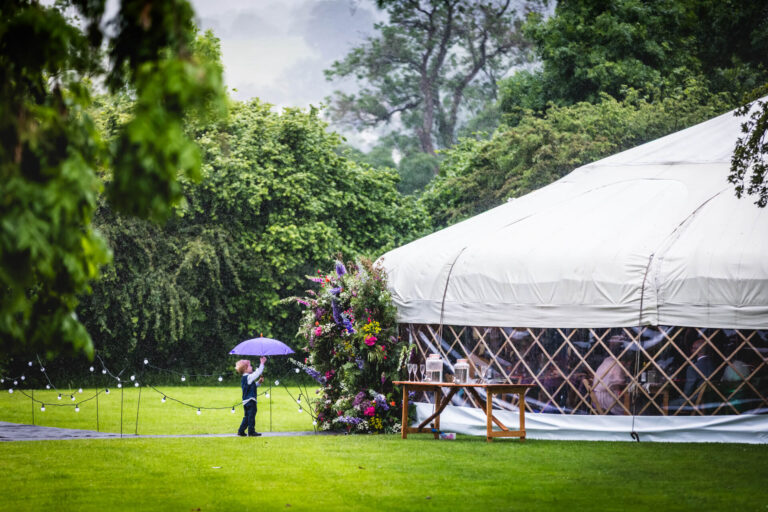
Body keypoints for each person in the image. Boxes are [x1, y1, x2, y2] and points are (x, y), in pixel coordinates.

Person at [236, 357, 266, 437]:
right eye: (250, 366)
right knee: (251, 416)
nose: (251, 367)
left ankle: (241, 431)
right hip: (250, 401)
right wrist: (262, 363)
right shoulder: (248, 377)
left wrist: (259, 382)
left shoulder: (246, 378)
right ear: (245, 369)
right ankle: (251, 431)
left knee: (247, 417)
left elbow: (252, 386)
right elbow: (258, 372)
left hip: (246, 402)